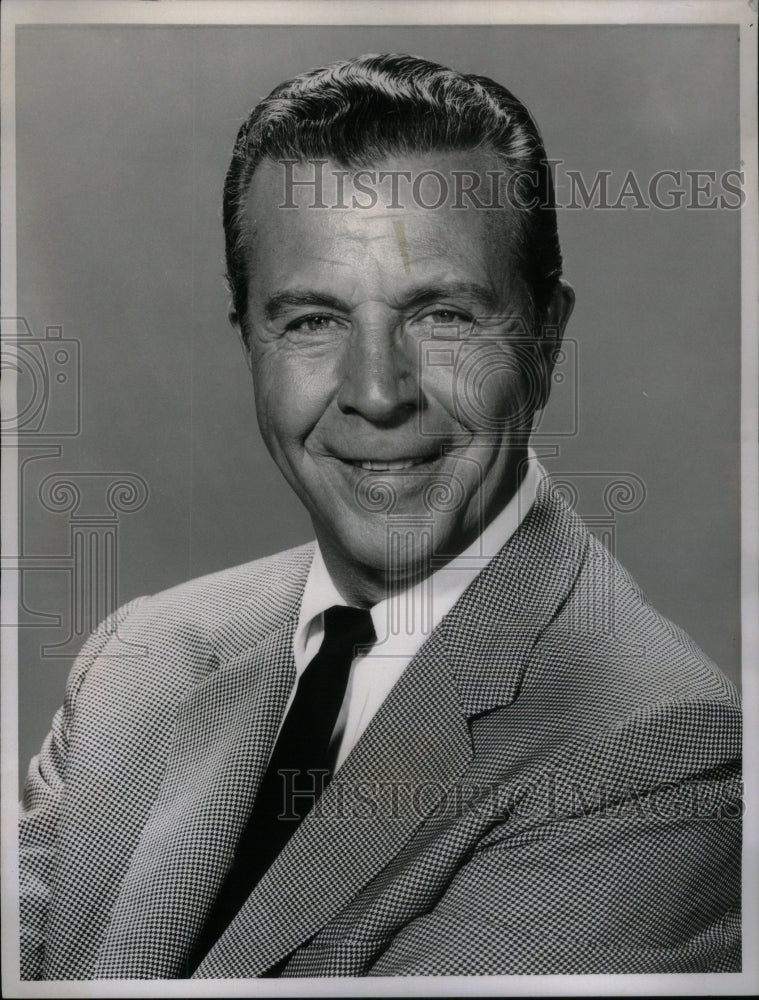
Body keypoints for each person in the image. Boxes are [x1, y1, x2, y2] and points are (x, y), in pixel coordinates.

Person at [19, 53, 741, 979]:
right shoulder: (138, 661)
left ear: (545, 337)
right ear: (248, 341)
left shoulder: (652, 749)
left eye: (442, 316)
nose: (375, 392)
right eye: (311, 321)